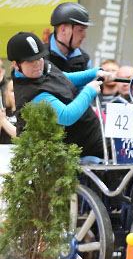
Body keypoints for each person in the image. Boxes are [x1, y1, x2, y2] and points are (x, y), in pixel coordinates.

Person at [7, 31, 114, 161]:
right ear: (16, 65)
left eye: (39, 58)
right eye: (30, 62)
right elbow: (66, 116)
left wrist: (95, 72)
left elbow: (63, 78)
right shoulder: (31, 95)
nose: (37, 65)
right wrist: (89, 91)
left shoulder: (43, 67)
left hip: (93, 137)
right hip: (77, 153)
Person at [47, 2, 94, 73]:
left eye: (84, 30)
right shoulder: (40, 57)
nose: (84, 36)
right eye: (80, 30)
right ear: (63, 30)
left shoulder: (84, 59)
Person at [0, 61, 16, 143]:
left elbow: (21, 136)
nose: (16, 94)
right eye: (12, 91)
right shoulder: (4, 111)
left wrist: (3, 120)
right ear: (7, 93)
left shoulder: (27, 112)